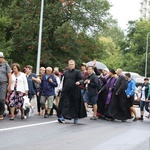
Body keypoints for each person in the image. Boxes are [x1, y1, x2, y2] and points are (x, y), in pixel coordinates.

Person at [57, 60, 87, 124]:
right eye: (70, 64)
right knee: (65, 104)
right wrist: (62, 89)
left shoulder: (77, 72)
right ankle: (63, 117)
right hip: (67, 91)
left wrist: (79, 82)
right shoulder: (66, 72)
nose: (71, 65)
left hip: (75, 91)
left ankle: (75, 118)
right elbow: (64, 82)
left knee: (75, 105)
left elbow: (82, 79)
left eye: (72, 64)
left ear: (74, 65)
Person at [0, 52, 12, 120]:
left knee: (1, 99)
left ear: (2, 58)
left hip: (3, 83)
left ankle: (1, 113)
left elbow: (9, 76)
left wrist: (9, 86)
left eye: (1, 57)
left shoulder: (6, 65)